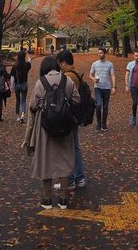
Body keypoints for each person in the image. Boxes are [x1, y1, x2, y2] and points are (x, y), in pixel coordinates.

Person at [22, 55, 80, 210]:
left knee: (45, 161)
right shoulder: (67, 81)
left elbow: (33, 106)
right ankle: (63, 198)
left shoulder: (41, 83)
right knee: (65, 161)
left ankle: (47, 199)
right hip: (64, 127)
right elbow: (77, 100)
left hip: (45, 128)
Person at [57, 49, 86, 190]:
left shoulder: (68, 76)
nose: (59, 67)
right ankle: (79, 178)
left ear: (63, 62)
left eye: (59, 63)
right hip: (76, 115)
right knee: (75, 146)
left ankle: (71, 180)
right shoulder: (77, 73)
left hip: (70, 116)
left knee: (69, 148)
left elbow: (66, 97)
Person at [89, 47, 116, 131]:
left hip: (107, 87)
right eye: (98, 53)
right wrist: (93, 79)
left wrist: (114, 87)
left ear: (104, 53)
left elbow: (112, 75)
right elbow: (90, 75)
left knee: (105, 107)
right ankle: (98, 124)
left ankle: (104, 124)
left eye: (100, 53)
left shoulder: (110, 64)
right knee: (98, 105)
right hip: (98, 87)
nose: (99, 54)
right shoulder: (94, 64)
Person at [10, 49, 32, 124]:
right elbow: (29, 61)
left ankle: (18, 117)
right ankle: (23, 115)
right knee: (23, 100)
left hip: (17, 85)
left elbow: (12, 77)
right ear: (24, 57)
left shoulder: (14, 66)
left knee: (18, 100)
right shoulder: (27, 65)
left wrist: (11, 87)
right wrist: (28, 55)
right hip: (24, 84)